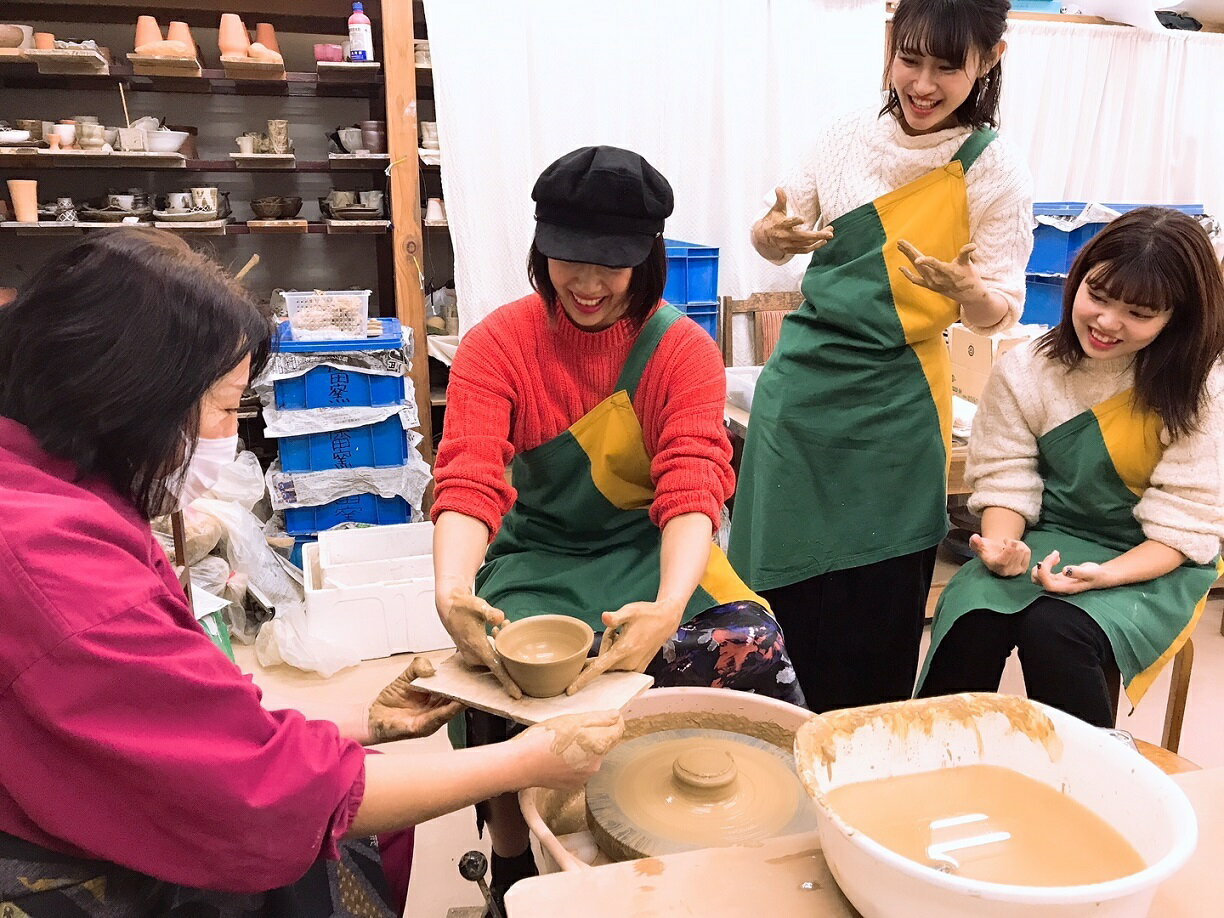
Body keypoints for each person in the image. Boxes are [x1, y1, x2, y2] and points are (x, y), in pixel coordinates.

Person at [0, 229, 623, 916]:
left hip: (625, 560)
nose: (227, 437)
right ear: (131, 396)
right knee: (343, 831)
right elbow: (253, 783)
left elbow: (168, 715)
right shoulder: (54, 565)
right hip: (60, 862)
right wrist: (528, 762)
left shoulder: (49, 486)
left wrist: (365, 723)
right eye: (222, 407)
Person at [431, 145, 804, 898]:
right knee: (511, 673)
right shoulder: (498, 344)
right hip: (539, 551)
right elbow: (469, 480)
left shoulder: (681, 351)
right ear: (541, 249)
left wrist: (669, 609)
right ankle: (510, 861)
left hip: (653, 548)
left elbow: (693, 487)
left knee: (745, 644)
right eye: (569, 258)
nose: (590, 283)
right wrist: (449, 591)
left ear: (649, 257)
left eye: (613, 263)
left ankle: (738, 850)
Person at [728, 0, 1033, 713]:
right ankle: (767, 741)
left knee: (879, 608)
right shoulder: (843, 137)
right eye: (910, 58)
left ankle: (863, 761)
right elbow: (778, 230)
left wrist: (972, 294)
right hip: (801, 397)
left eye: (946, 66)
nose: (921, 84)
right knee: (779, 596)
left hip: (900, 406)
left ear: (991, 58)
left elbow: (1001, 308)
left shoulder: (994, 172)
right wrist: (769, 238)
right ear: (892, 44)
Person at [917, 208, 1224, 725]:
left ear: (1180, 316)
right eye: (1097, 296)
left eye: (1139, 313)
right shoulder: (1028, 367)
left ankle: (1088, 781)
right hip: (1049, 535)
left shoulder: (1204, 390)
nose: (1106, 322)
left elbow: (1184, 524)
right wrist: (1001, 545)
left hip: (1151, 558)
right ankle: (934, 757)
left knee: (1055, 630)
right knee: (973, 616)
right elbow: (1006, 477)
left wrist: (1106, 574)